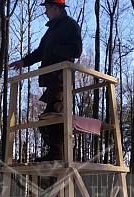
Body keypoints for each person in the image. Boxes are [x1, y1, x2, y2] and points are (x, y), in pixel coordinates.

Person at [9, 0, 82, 161]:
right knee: (47, 118)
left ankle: (59, 154)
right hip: (51, 80)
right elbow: (40, 52)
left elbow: (76, 50)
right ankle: (57, 152)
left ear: (55, 7)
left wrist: (57, 51)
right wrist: (23, 62)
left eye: (47, 8)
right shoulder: (51, 31)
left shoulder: (70, 25)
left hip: (61, 78)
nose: (45, 12)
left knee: (54, 116)